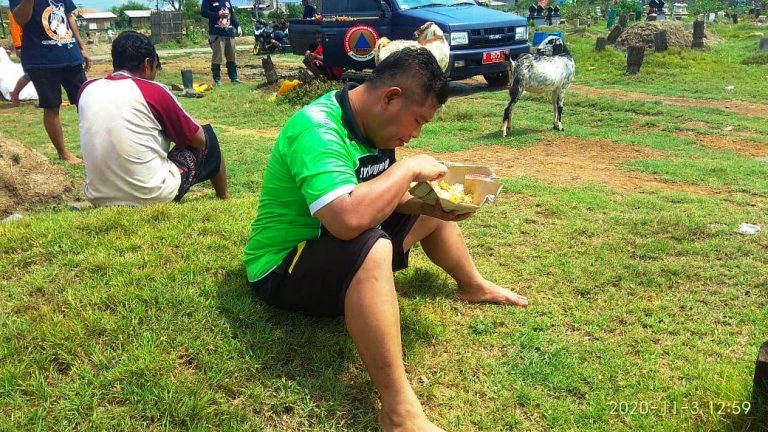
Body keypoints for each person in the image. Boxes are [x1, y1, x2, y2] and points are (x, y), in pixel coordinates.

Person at [243, 48, 528, 432]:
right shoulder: (318, 128)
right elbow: (347, 220)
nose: (414, 135)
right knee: (374, 244)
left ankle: (472, 285)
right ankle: (398, 412)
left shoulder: (375, 125)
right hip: (283, 267)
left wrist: (432, 204)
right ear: (390, 97)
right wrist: (410, 169)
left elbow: (380, 194)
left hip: (337, 245)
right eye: (417, 121)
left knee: (428, 210)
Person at [77, 31, 230, 207]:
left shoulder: (86, 89)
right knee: (208, 135)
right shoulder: (153, 91)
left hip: (98, 197)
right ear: (148, 64)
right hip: (151, 195)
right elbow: (199, 139)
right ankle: (224, 197)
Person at [9, 0, 92, 164]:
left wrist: (82, 47)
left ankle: (96, 146)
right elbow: (21, 19)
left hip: (70, 54)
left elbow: (69, 17)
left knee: (85, 102)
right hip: (42, 59)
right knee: (52, 105)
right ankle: (64, 153)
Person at [201, 0, 242, 85]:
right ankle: (217, 79)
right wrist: (217, 15)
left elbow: (232, 15)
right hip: (216, 33)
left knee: (232, 56)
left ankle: (234, 77)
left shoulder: (227, 1)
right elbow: (204, 12)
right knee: (218, 56)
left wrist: (237, 26)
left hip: (229, 32)